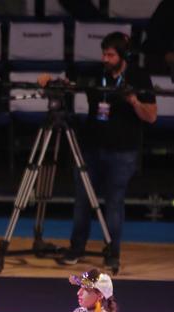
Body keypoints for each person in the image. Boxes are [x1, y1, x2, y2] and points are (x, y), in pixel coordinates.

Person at [41, 32, 157, 273]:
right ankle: (76, 248)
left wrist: (133, 101)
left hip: (123, 152)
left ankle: (113, 252)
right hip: (91, 148)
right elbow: (70, 85)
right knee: (82, 200)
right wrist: (50, 81)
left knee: (114, 203)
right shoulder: (95, 72)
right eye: (104, 54)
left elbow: (152, 116)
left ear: (122, 55)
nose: (105, 58)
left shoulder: (138, 76)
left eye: (110, 55)